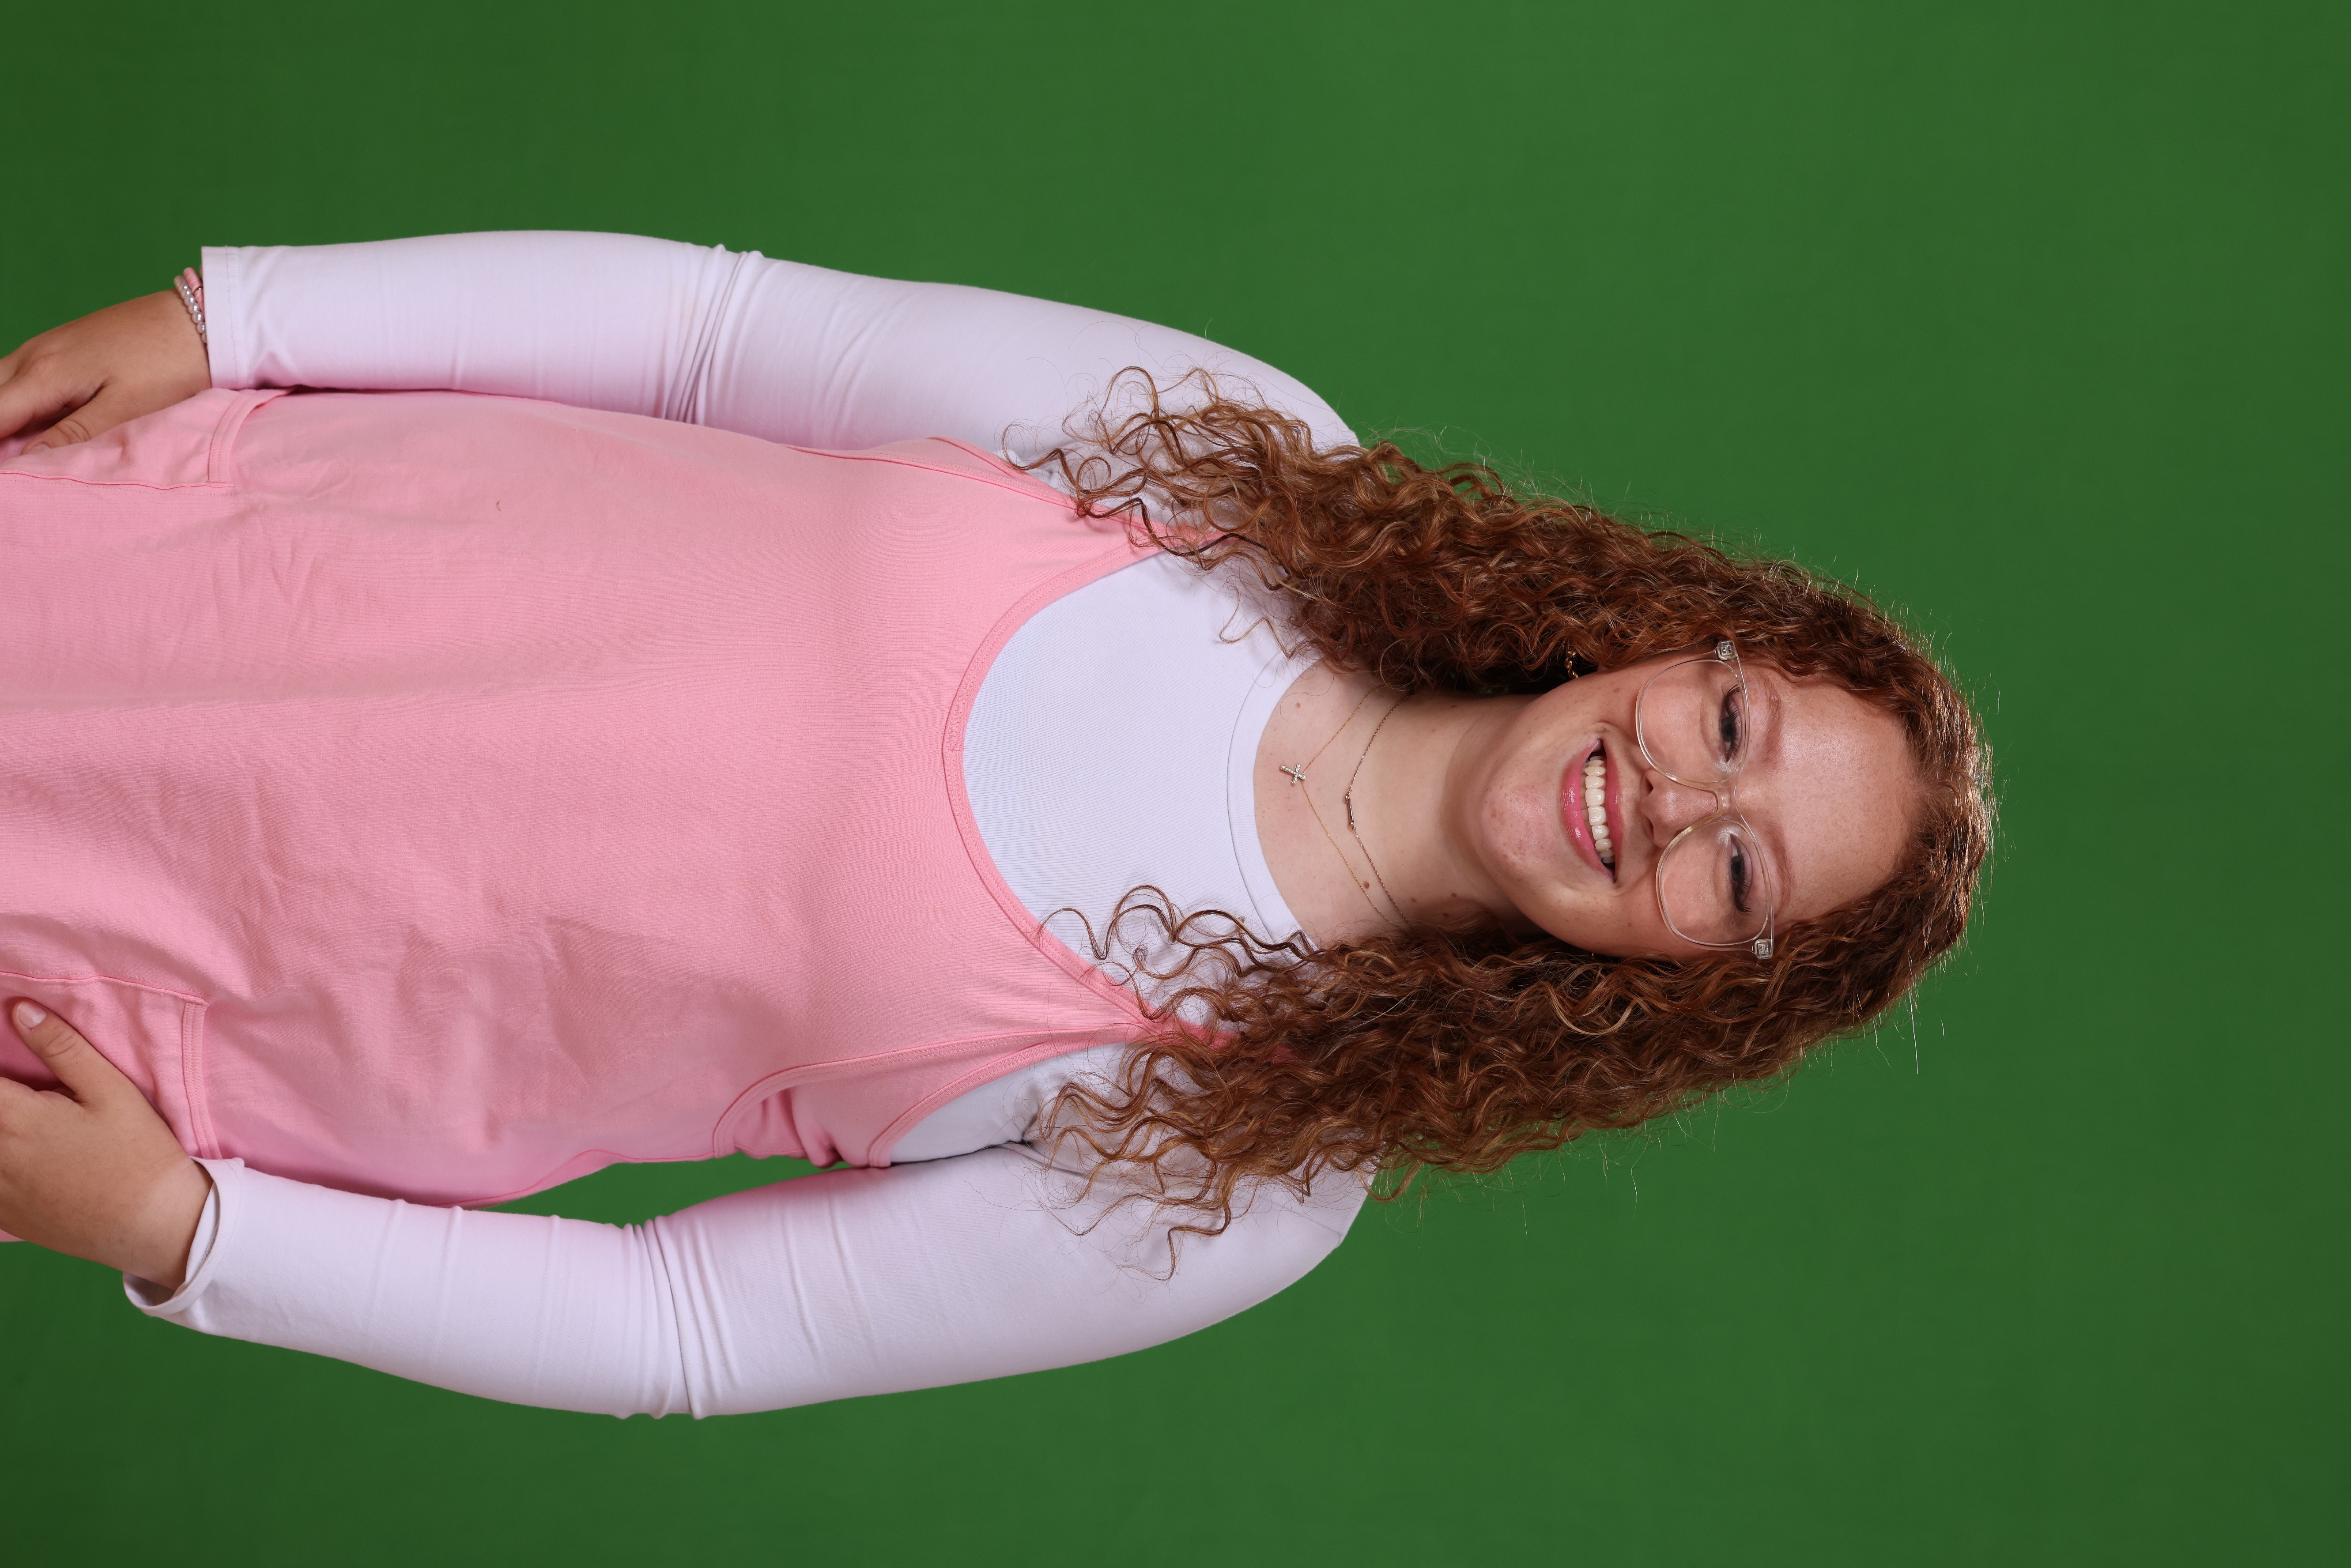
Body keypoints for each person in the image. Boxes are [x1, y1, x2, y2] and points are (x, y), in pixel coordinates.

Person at [0, 232, 1992, 1417]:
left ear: (1704, 981)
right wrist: (235, 316)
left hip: (151, 973)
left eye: (1742, 867)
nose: (1675, 796)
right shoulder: (1258, 477)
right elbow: (720, 333)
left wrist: (194, 1236)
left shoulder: (1247, 1168)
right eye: (1735, 722)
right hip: (189, 565)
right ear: (1681, 639)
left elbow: (684, 1327)